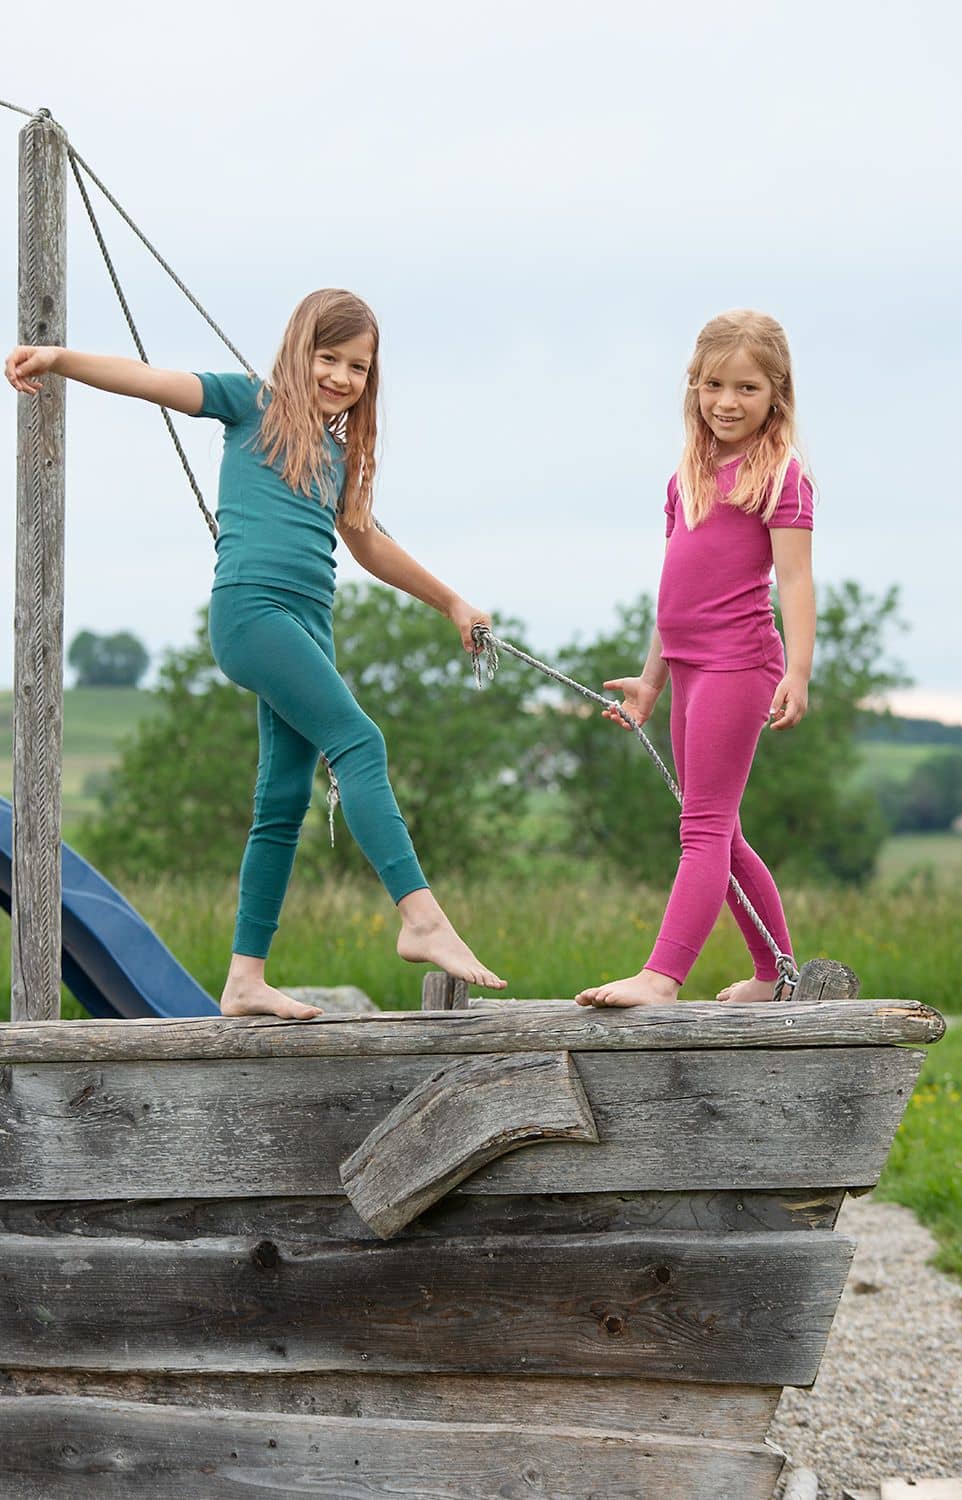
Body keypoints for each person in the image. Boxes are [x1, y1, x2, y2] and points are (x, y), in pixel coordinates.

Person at [6, 288, 505, 1018]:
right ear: (299, 349)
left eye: (358, 367)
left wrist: (452, 602)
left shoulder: (338, 455)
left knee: (282, 800)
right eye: (328, 357)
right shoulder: (249, 404)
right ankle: (421, 918)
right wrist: (58, 358)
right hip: (252, 615)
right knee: (359, 741)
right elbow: (149, 379)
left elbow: (368, 545)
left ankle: (244, 979)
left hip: (309, 627)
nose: (340, 376)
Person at [575, 309, 815, 1008]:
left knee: (703, 828)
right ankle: (776, 977)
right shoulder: (688, 478)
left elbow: (795, 579)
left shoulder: (781, 475)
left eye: (746, 387)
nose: (726, 402)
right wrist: (651, 681)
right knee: (724, 833)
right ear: (694, 386)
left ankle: (662, 977)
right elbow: (673, 592)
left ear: (776, 393)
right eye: (713, 385)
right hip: (685, 670)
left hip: (739, 666)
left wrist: (798, 672)